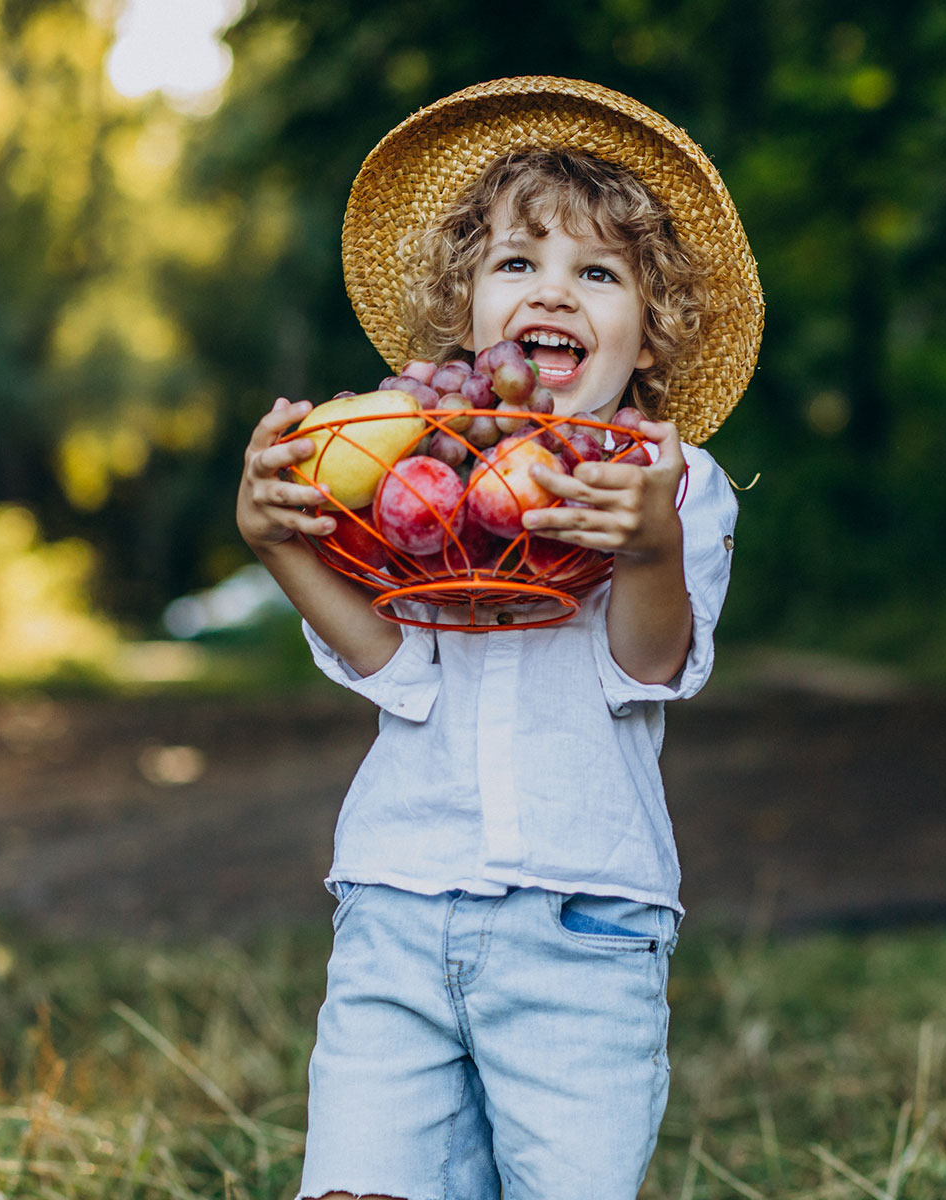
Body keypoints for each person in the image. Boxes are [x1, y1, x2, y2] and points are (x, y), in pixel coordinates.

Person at [237, 77, 763, 1200]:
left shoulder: (671, 482)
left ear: (651, 324)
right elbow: (395, 665)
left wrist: (650, 546)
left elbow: (647, 664)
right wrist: (282, 545)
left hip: (585, 920)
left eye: (599, 272)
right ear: (469, 304)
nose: (555, 292)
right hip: (397, 895)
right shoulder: (411, 466)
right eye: (518, 263)